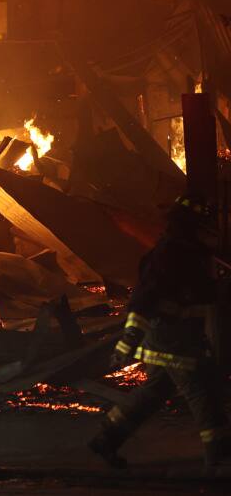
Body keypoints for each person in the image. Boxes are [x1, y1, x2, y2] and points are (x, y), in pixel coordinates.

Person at [89, 194, 229, 469]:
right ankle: (219, 454)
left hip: (180, 335)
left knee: (153, 393)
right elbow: (144, 300)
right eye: (203, 226)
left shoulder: (189, 254)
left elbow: (200, 294)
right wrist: (128, 341)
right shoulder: (169, 254)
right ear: (191, 225)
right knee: (201, 390)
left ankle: (107, 438)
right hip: (172, 338)